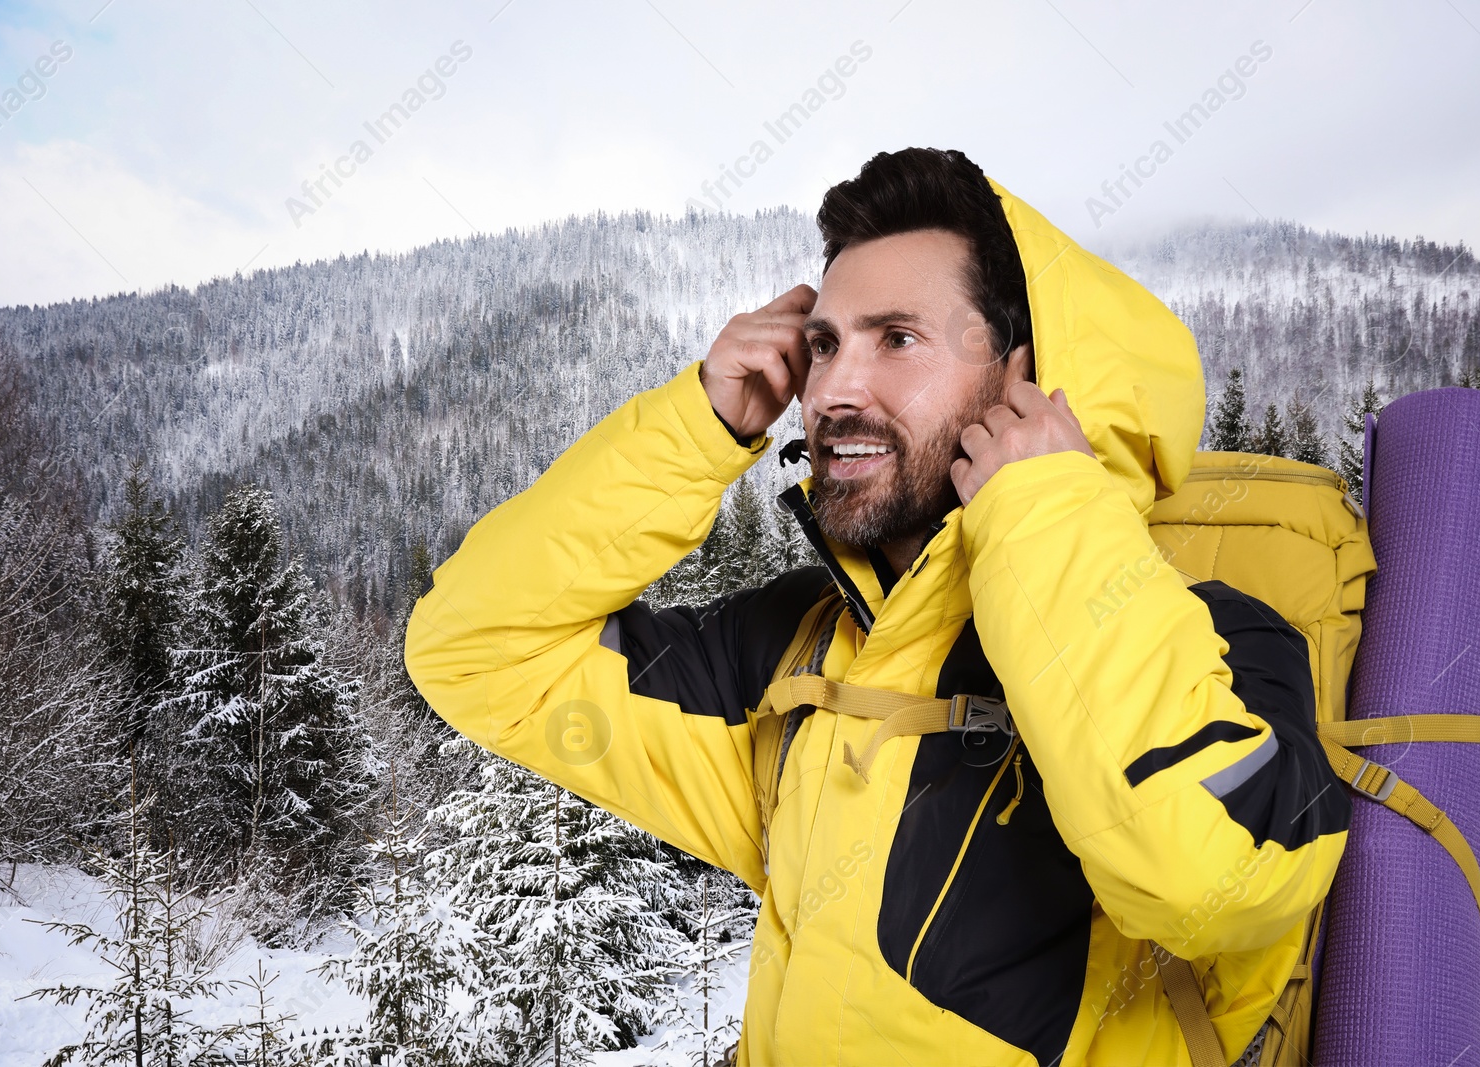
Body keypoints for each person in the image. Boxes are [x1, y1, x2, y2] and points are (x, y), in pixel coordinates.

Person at [405, 147, 1349, 1066]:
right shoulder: (794, 650)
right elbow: (472, 649)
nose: (833, 390)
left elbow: (1213, 883)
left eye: (896, 339)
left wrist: (1048, 506)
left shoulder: (1217, 637)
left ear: (1024, 378)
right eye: (824, 345)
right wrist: (697, 425)